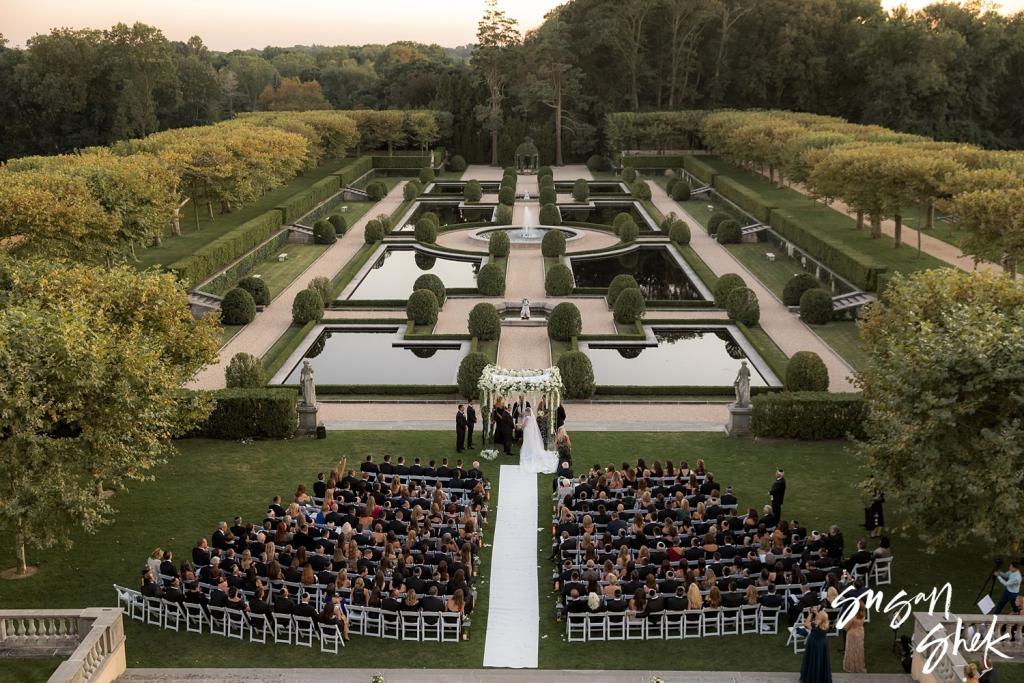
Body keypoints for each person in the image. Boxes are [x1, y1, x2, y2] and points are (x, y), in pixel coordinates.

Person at [518, 406, 557, 473]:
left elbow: (525, 425)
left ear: (528, 412)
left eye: (525, 412)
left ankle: (528, 452)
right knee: (530, 442)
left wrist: (520, 426)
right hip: (529, 431)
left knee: (527, 442)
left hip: (527, 432)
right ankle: (530, 451)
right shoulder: (531, 418)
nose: (525, 413)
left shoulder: (527, 417)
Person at [799, 607, 832, 683]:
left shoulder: (815, 625)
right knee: (821, 660)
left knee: (813, 660)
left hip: (814, 644)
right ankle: (821, 677)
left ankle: (813, 677)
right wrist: (816, 612)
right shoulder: (826, 623)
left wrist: (811, 613)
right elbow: (822, 618)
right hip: (822, 644)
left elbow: (806, 623)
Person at [843, 604, 866, 673]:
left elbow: (846, 626)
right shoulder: (863, 615)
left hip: (852, 634)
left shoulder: (852, 616)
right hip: (860, 632)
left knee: (851, 650)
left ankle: (851, 667)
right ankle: (859, 666)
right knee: (859, 650)